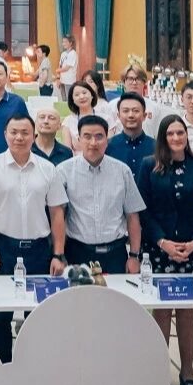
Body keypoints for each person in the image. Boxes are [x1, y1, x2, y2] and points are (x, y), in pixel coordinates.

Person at [0, 114, 67, 363]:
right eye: (14, 132)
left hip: (39, 249)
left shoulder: (47, 169)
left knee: (37, 313)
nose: (19, 137)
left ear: (33, 136)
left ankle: (33, 366)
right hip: (3, 247)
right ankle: (2, 366)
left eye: (25, 132)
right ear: (5, 135)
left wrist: (58, 253)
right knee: (1, 314)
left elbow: (57, 212)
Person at [137, 115, 193, 385]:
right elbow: (142, 211)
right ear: (163, 137)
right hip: (159, 249)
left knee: (186, 312)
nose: (175, 138)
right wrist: (163, 242)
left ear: (186, 136)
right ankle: (159, 373)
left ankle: (187, 373)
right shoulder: (149, 166)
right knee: (161, 312)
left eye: (180, 133)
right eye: (170, 133)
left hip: (191, 251)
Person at [56, 115, 145, 274]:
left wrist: (134, 255)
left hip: (115, 254)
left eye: (99, 136)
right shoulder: (64, 171)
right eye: (87, 136)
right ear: (79, 139)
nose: (93, 142)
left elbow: (132, 215)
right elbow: (58, 216)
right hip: (77, 252)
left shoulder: (122, 171)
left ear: (107, 140)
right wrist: (59, 255)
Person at [106, 92, 155, 175]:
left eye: (136, 111)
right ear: (118, 116)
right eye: (125, 111)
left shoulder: (156, 147)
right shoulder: (108, 146)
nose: (131, 115)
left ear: (144, 116)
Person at [120, 66, 164, 137]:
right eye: (130, 79)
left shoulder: (154, 107)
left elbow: (158, 134)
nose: (134, 82)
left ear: (144, 83)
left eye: (138, 79)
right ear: (124, 82)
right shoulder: (113, 106)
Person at [61, 81, 101, 151]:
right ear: (73, 100)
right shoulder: (68, 121)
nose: (81, 97)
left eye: (84, 93)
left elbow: (109, 147)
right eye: (77, 95)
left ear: (92, 95)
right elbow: (68, 150)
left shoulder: (105, 118)